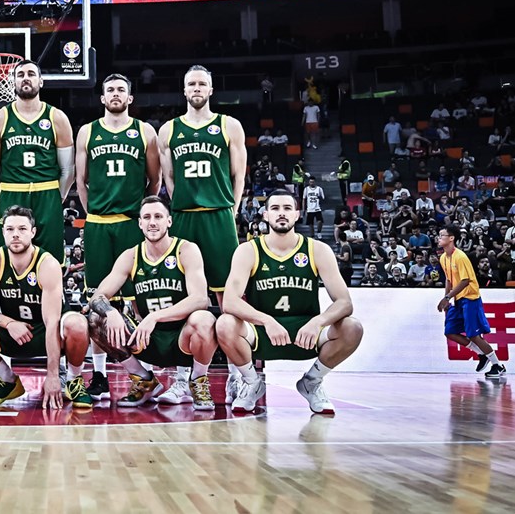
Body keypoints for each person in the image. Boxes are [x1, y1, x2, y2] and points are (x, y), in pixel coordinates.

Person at [216, 189, 364, 414]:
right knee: (224, 323)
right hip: (262, 332)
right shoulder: (249, 250)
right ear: (265, 215)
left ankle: (312, 382)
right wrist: (266, 321)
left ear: (297, 214)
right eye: (275, 209)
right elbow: (230, 302)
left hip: (306, 332)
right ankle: (252, 383)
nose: (281, 213)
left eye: (287, 208)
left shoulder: (317, 250)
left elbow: (344, 302)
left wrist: (318, 322)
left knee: (352, 327)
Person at [158, 65, 247, 404]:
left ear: (211, 90)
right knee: (182, 299)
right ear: (184, 91)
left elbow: (239, 174)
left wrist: (231, 209)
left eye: (202, 83)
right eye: (191, 83)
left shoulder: (229, 126)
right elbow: (169, 180)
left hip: (219, 216)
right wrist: (181, 206)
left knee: (229, 300)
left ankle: (240, 377)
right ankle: (184, 379)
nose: (196, 88)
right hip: (184, 217)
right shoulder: (168, 130)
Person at [74, 73, 160, 401]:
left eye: (121, 90)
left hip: (129, 222)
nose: (115, 94)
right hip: (97, 222)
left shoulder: (144, 131)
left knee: (137, 298)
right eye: (109, 90)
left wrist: (138, 216)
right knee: (97, 300)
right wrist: (93, 212)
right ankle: (99, 375)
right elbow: (81, 182)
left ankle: (148, 365)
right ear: (102, 98)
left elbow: (154, 181)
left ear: (130, 97)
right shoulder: (88, 132)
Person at [87, 196, 218, 409]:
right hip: (147, 340)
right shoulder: (131, 256)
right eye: (146, 217)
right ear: (139, 223)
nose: (152, 222)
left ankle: (198, 381)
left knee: (204, 319)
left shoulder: (186, 250)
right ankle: (143, 379)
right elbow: (97, 297)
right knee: (95, 319)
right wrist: (110, 311)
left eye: (158, 216)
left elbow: (200, 299)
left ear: (169, 221)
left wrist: (155, 316)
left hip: (182, 338)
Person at [0, 206, 92, 408]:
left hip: (47, 333)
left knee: (77, 323)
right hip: (13, 332)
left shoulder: (47, 263)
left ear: (33, 232)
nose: (16, 234)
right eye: (10, 229)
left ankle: (73, 380)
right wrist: (8, 323)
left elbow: (52, 323)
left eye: (22, 229)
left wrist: (52, 376)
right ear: (3, 232)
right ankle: (6, 379)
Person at [0, 59, 74, 264]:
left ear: (41, 82)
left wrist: (54, 196)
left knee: (50, 259)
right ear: (12, 82)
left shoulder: (57, 117)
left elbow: (68, 170)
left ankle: (54, 296)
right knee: (6, 259)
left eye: (31, 74)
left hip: (47, 192)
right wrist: (5, 193)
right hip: (11, 191)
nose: (26, 78)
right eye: (21, 75)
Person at [436, 225, 507, 379]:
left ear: (451, 238)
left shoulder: (460, 256)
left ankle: (498, 365)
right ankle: (481, 354)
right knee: (450, 332)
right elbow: (449, 279)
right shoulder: (443, 257)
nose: (439, 238)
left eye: (442, 235)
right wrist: (447, 299)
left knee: (473, 334)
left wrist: (447, 297)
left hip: (470, 297)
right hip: (457, 299)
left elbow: (465, 280)